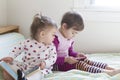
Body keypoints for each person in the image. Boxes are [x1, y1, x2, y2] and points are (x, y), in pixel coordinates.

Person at [53, 11, 120, 76]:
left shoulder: (69, 38)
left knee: (86, 60)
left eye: (76, 33)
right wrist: (66, 59)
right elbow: (51, 59)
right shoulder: (55, 38)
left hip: (66, 60)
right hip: (56, 64)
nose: (74, 35)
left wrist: (77, 54)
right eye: (73, 32)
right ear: (64, 26)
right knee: (80, 64)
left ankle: (113, 69)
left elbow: (70, 52)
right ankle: (107, 72)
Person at [1, 13, 57, 80]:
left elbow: (53, 58)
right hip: (26, 67)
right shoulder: (27, 42)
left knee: (40, 74)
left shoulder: (51, 46)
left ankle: (25, 78)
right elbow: (17, 49)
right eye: (53, 34)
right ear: (42, 34)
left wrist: (45, 63)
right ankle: (20, 76)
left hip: (40, 69)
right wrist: (11, 57)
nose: (54, 37)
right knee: (7, 67)